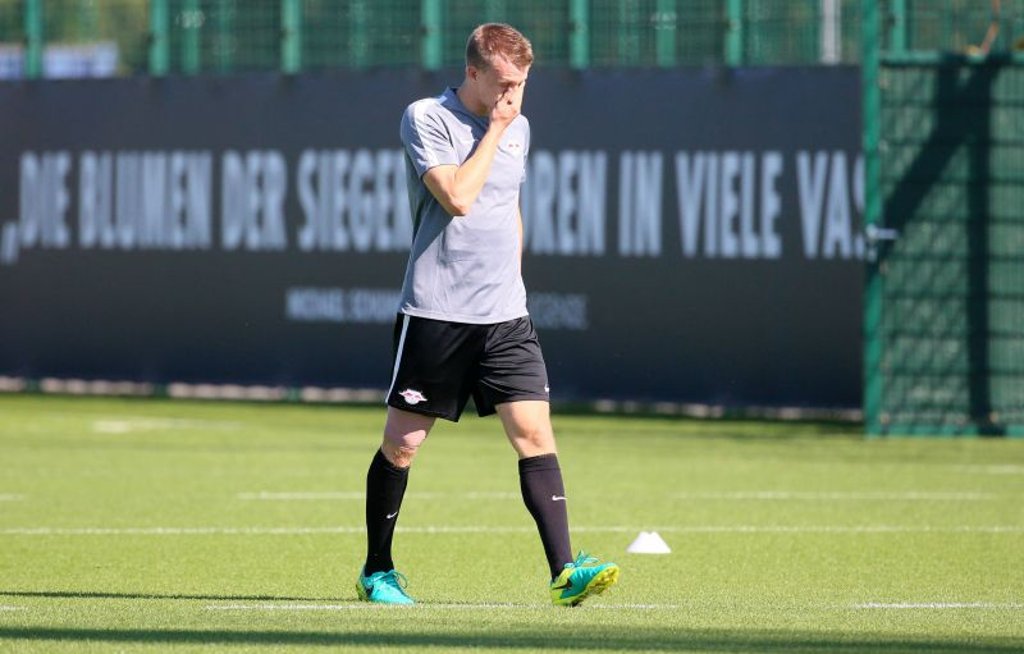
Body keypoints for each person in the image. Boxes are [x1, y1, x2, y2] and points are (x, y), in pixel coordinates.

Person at [355, 23, 619, 607]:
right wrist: (496, 129)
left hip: (505, 316)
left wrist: (514, 280)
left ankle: (565, 570)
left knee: (534, 434)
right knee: (402, 445)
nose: (513, 95)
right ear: (472, 72)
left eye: (521, 84)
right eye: (502, 83)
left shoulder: (519, 126)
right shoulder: (426, 117)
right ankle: (377, 570)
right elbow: (460, 196)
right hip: (436, 312)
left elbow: (506, 207)